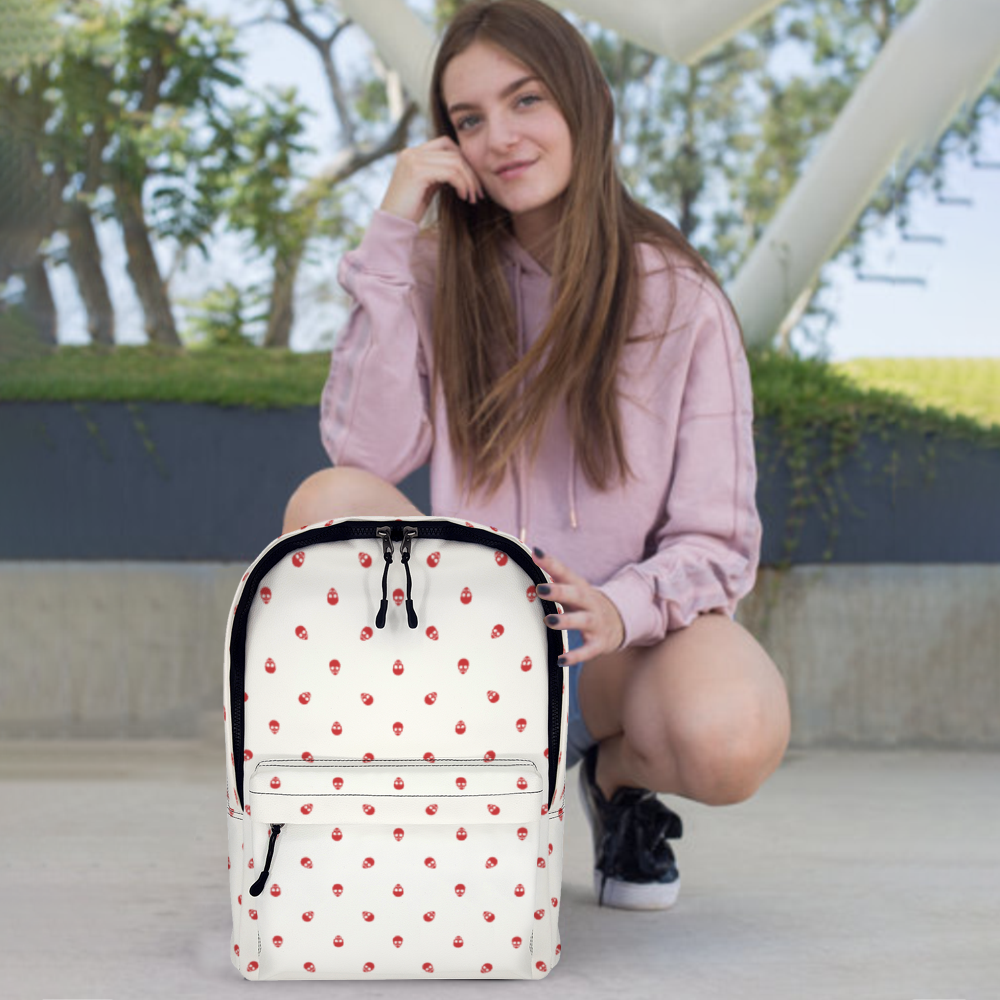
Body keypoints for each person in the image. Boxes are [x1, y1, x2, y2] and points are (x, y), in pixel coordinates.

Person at [283, 0, 791, 912]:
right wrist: (395, 228)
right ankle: (453, 792)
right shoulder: (434, 273)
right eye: (468, 120)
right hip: (464, 638)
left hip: (613, 648)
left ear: (584, 103)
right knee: (328, 498)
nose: (499, 138)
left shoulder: (679, 297)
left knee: (732, 731)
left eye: (525, 101)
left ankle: (612, 783)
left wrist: (618, 606)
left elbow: (718, 542)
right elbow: (365, 449)